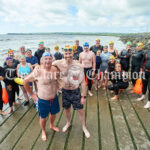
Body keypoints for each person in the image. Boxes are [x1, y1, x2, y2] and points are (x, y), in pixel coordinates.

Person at [53, 45, 90, 138]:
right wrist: (59, 82)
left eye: (70, 53)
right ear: (63, 54)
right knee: (67, 109)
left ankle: (84, 127)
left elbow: (83, 82)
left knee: (80, 111)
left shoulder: (78, 65)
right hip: (65, 91)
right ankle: (68, 123)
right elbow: (47, 65)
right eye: (66, 53)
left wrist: (83, 96)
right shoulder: (58, 63)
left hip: (75, 91)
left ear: (73, 54)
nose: (68, 55)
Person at [24, 52, 60, 141]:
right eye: (45, 59)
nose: (48, 60)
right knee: (43, 117)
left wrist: (60, 85)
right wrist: (32, 94)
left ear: (52, 59)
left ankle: (51, 125)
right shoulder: (38, 71)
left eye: (49, 58)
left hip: (54, 98)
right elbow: (25, 81)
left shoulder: (55, 69)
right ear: (42, 60)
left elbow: (58, 77)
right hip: (43, 100)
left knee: (54, 114)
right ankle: (43, 130)